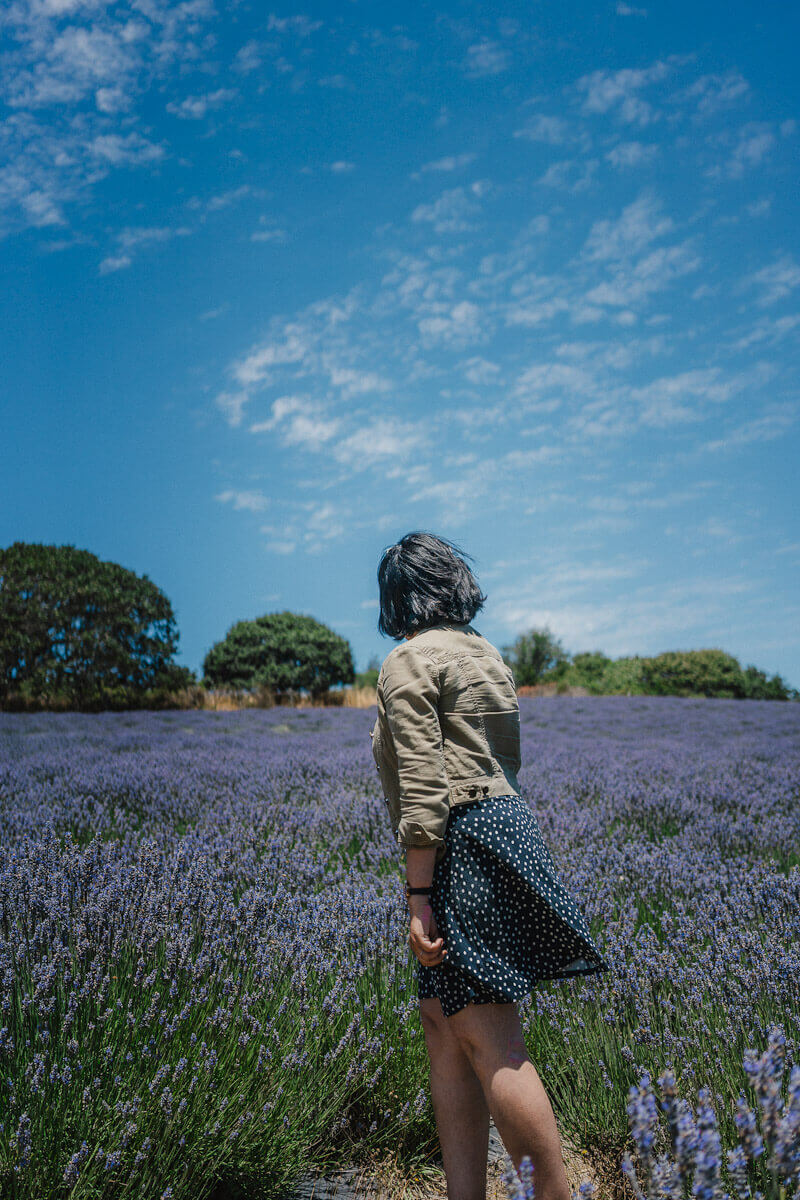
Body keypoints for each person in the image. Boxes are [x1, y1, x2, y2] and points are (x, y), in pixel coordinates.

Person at [370, 531, 608, 1200]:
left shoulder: (408, 661)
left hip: (457, 841)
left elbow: (423, 788)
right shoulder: (486, 655)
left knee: (489, 1036)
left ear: (399, 597)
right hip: (503, 827)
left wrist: (419, 893)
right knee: (443, 1025)